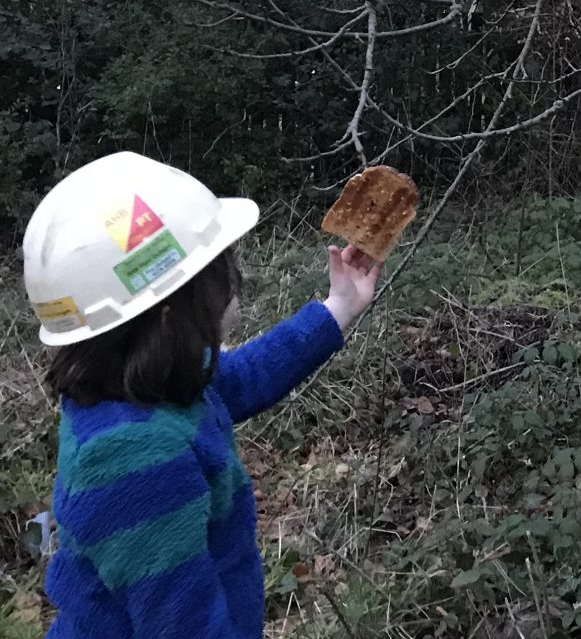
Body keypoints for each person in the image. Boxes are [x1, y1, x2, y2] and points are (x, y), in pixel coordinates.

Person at [21, 151, 382, 639]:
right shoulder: (134, 463)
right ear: (173, 310)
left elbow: (245, 376)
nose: (232, 284)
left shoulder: (143, 388)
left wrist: (338, 306)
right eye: (219, 271)